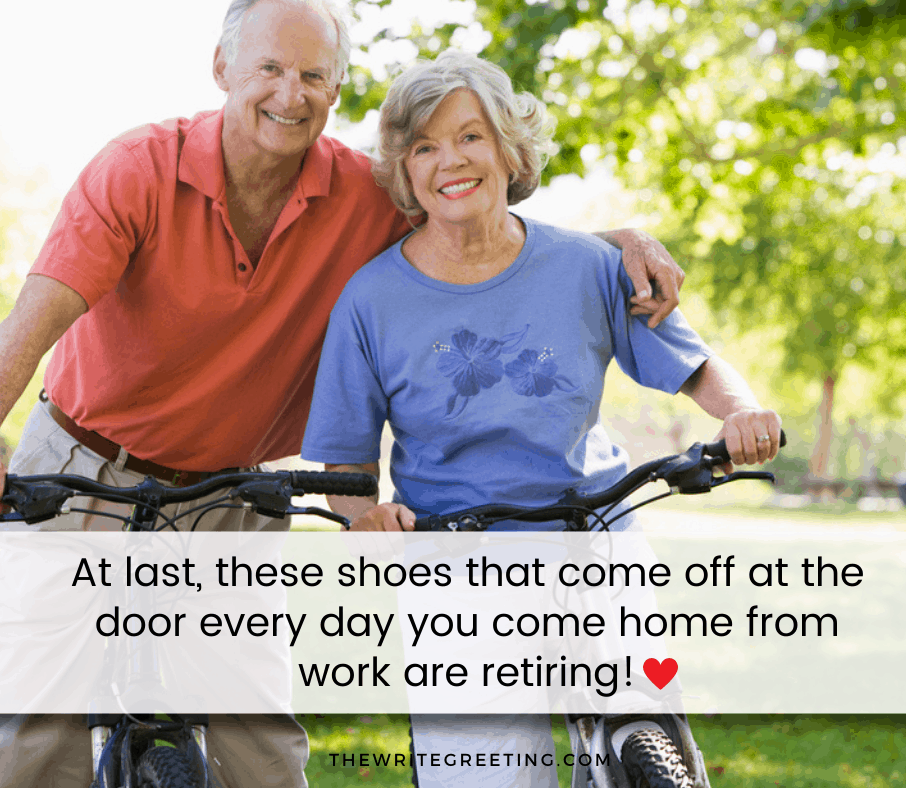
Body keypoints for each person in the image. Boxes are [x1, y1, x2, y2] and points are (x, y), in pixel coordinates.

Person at [0, 2, 690, 786]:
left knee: (255, 731)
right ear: (223, 69)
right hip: (88, 465)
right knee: (39, 711)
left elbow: (479, 232)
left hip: (235, 487)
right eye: (269, 69)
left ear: (336, 91)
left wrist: (615, 245)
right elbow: (34, 320)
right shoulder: (138, 169)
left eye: (313, 75)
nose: (290, 93)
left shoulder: (362, 195)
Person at [299, 50, 783, 787]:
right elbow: (344, 462)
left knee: (653, 739)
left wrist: (743, 411)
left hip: (594, 535)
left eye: (470, 136)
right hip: (456, 567)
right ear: (403, 170)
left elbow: (696, 366)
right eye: (424, 146)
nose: (450, 161)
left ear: (508, 149)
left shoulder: (588, 265)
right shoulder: (369, 301)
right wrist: (365, 516)